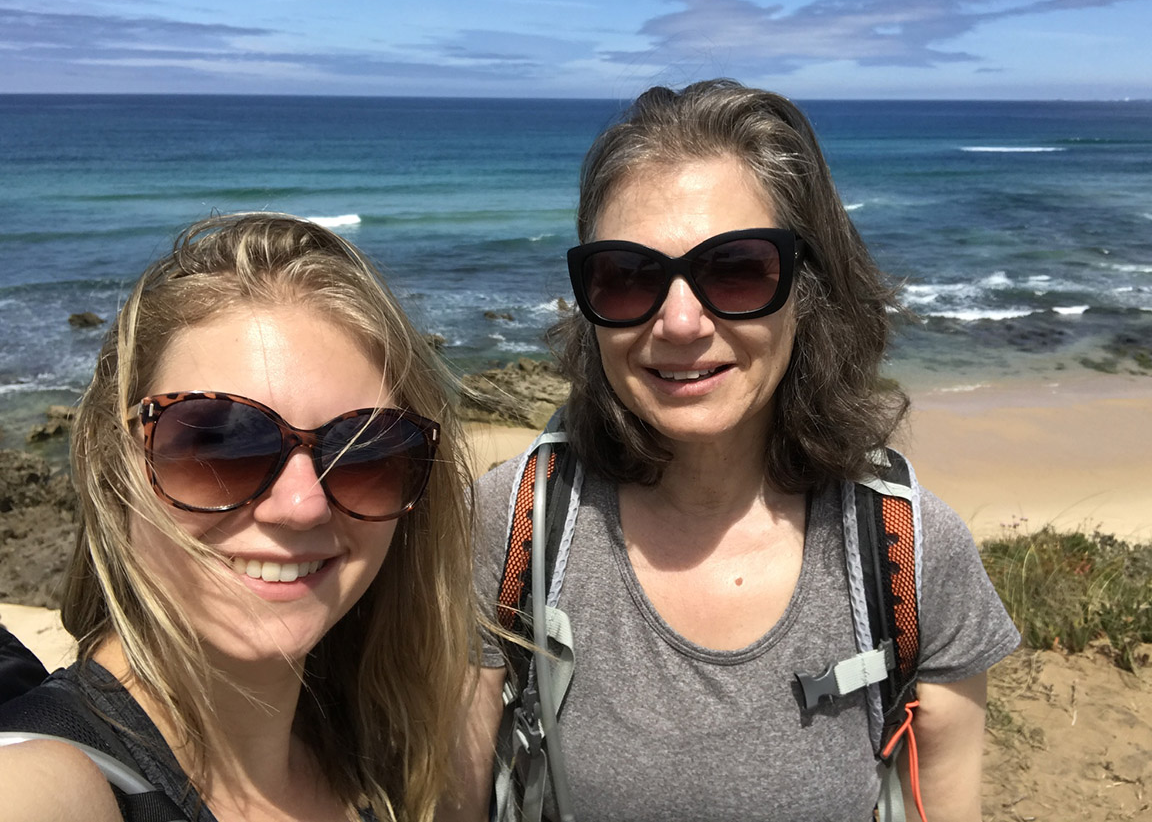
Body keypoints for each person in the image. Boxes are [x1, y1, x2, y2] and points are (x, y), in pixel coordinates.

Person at [452, 80, 1020, 821]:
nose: (680, 322)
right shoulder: (515, 523)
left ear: (806, 285)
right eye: (627, 277)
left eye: (737, 269)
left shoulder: (909, 553)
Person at [0, 214, 477, 822]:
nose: (302, 504)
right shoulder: (46, 784)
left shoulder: (371, 752)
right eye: (220, 444)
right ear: (111, 462)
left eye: (365, 451)